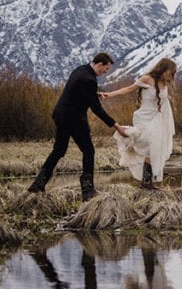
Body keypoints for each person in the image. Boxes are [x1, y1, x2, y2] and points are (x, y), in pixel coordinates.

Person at [28, 52, 128, 200]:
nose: (105, 72)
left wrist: (93, 95)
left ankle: (38, 184)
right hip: (73, 119)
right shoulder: (89, 80)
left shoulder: (81, 70)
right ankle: (88, 190)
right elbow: (96, 109)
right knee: (89, 151)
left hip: (62, 115)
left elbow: (79, 94)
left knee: (59, 151)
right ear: (100, 64)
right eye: (105, 69)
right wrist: (116, 125)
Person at [101, 57, 177, 189]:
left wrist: (168, 98)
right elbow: (128, 89)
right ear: (163, 68)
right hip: (144, 117)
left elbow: (161, 97)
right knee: (148, 144)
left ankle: (147, 183)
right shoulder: (147, 79)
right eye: (171, 71)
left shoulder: (164, 84)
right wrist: (109, 94)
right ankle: (127, 136)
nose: (172, 75)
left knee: (153, 148)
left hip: (156, 119)